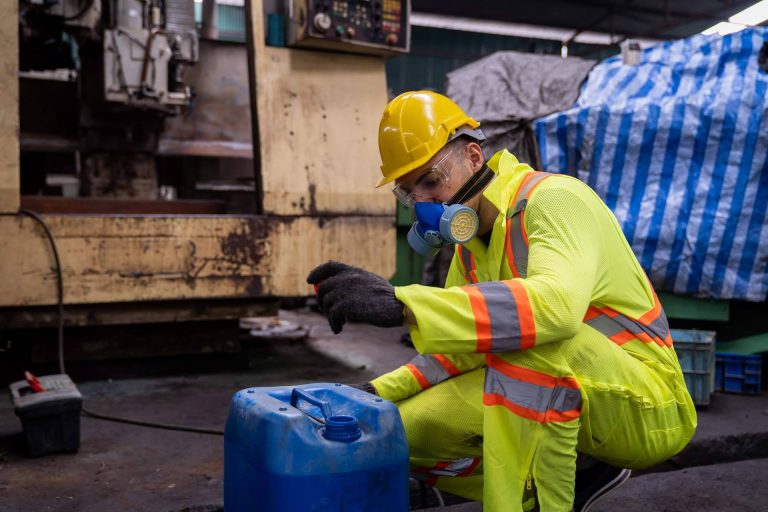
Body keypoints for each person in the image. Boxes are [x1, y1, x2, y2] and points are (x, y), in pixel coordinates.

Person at [307, 91, 697, 512]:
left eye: (431, 181)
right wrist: (376, 393)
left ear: (474, 156)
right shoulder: (470, 248)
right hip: (567, 385)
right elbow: (457, 352)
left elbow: (555, 310)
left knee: (534, 343)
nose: (423, 204)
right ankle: (573, 477)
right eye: (409, 193)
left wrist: (406, 305)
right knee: (394, 431)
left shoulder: (556, 201)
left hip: (647, 403)